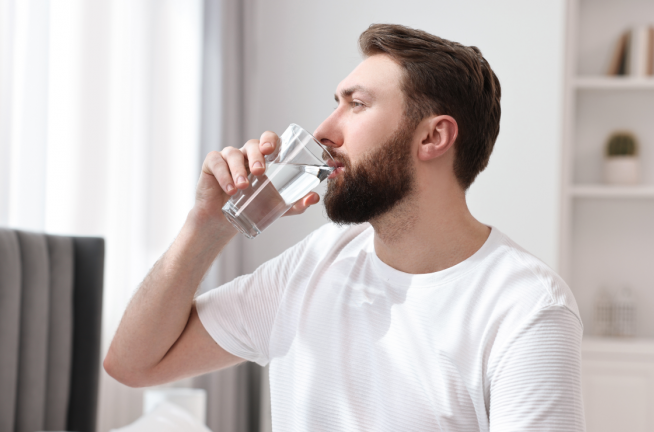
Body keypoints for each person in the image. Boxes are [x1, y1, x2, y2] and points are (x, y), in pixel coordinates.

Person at [104, 24, 585, 431]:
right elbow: (133, 363)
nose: (322, 132)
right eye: (336, 102)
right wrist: (207, 225)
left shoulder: (528, 309)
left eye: (356, 104)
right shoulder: (317, 261)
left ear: (433, 136)